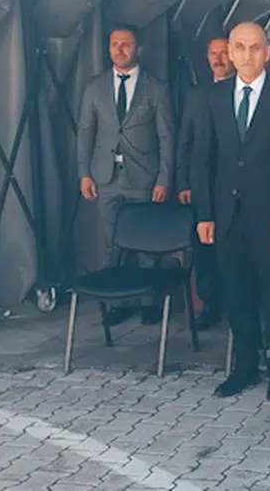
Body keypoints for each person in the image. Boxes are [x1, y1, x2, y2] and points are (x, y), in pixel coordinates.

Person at [191, 22, 270, 400]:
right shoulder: (212, 97)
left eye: (255, 47)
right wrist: (205, 214)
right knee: (237, 295)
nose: (246, 55)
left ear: (267, 53)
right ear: (230, 52)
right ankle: (244, 367)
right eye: (239, 47)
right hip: (227, 215)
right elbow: (202, 159)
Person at [77, 24, 175, 326]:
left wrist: (164, 178)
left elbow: (166, 136)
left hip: (143, 175)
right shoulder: (95, 87)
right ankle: (116, 302)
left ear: (139, 49)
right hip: (106, 176)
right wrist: (84, 173)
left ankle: (148, 302)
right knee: (111, 241)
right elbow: (85, 132)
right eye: (114, 44)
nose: (119, 50)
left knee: (145, 241)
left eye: (126, 45)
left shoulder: (155, 87)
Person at [176, 36, 235, 330]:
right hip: (203, 185)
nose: (219, 59)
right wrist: (183, 182)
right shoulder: (196, 94)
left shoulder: (246, 92)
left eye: (224, 53)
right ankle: (210, 304)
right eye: (214, 53)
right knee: (205, 248)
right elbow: (184, 140)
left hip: (235, 184)